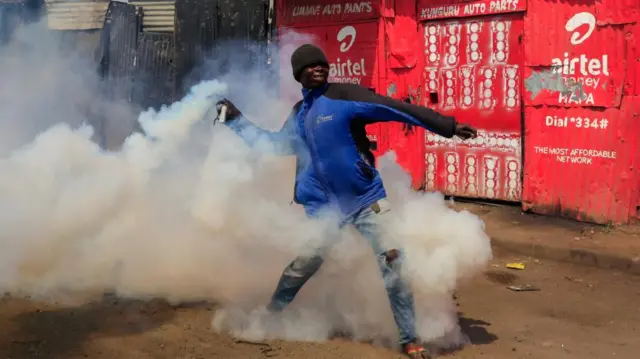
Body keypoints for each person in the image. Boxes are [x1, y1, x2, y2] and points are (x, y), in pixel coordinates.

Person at [215, 44, 478, 359]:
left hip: (367, 201)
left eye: (322, 65)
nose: (319, 69)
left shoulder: (343, 96)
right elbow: (274, 146)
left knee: (393, 260)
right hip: (325, 211)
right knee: (303, 265)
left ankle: (409, 338)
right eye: (311, 67)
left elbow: (395, 108)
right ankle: (271, 315)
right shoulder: (299, 113)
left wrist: (446, 126)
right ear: (299, 74)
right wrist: (236, 121)